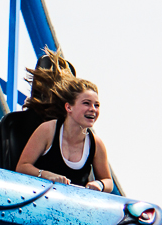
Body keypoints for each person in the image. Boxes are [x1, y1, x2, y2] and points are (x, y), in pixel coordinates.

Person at [15, 49, 113, 192]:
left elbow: (108, 181)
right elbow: (22, 167)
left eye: (96, 105)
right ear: (69, 107)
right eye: (86, 103)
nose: (93, 109)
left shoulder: (96, 144)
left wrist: (100, 185)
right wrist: (45, 175)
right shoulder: (48, 130)